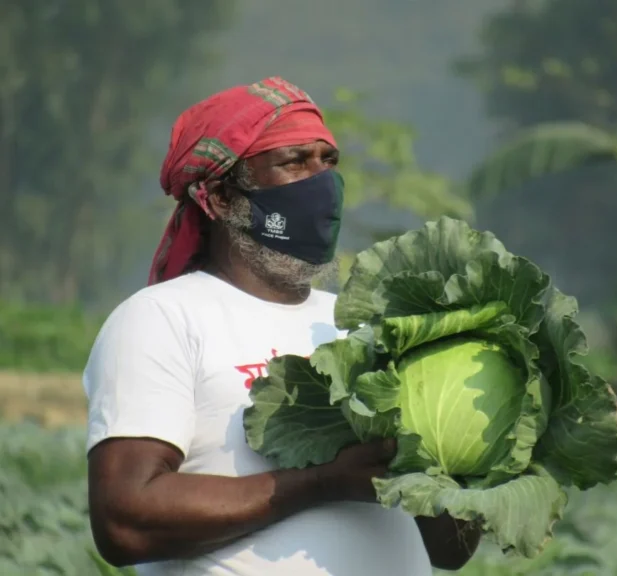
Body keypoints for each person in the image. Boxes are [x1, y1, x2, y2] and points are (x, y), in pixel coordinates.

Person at [82, 77, 481, 576]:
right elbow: (125, 520)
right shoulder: (162, 319)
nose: (322, 181)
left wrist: (462, 447)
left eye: (328, 161)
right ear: (223, 198)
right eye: (294, 162)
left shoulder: (362, 328)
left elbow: (451, 552)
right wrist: (325, 481)